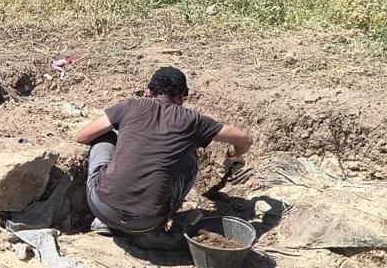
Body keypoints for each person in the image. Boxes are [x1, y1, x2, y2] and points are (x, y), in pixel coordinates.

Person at [73, 66, 254, 249]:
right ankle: (152, 234)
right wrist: (233, 154)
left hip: (101, 208)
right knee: (189, 160)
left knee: (104, 137)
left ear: (148, 91)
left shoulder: (129, 105)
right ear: (183, 95)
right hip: (147, 222)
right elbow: (245, 140)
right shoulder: (194, 121)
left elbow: (82, 136)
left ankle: (105, 222)